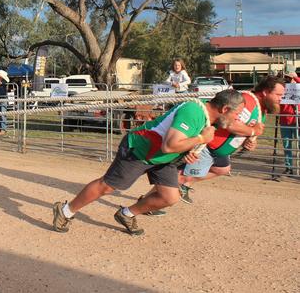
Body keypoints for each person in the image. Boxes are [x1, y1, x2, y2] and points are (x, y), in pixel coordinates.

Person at [52, 90, 245, 235]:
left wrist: (188, 151)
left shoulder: (204, 116)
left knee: (170, 197)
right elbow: (170, 145)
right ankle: (66, 210)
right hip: (141, 150)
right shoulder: (194, 111)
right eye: (237, 114)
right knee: (108, 187)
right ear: (225, 109)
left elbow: (176, 144)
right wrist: (201, 139)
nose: (237, 119)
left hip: (162, 159)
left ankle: (126, 214)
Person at [145, 76, 285, 213]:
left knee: (221, 169)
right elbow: (230, 124)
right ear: (265, 92)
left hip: (218, 150)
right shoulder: (248, 101)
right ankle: (147, 202)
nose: (280, 98)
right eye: (278, 94)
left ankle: (180, 187)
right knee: (179, 177)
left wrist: (250, 141)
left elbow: (247, 130)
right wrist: (253, 130)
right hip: (210, 146)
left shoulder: (261, 110)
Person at [277, 72, 298, 179]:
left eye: (289, 78)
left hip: (298, 120)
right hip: (284, 120)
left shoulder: (297, 87)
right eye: (286, 77)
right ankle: (288, 168)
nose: (287, 79)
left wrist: (295, 78)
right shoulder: (281, 88)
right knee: (286, 145)